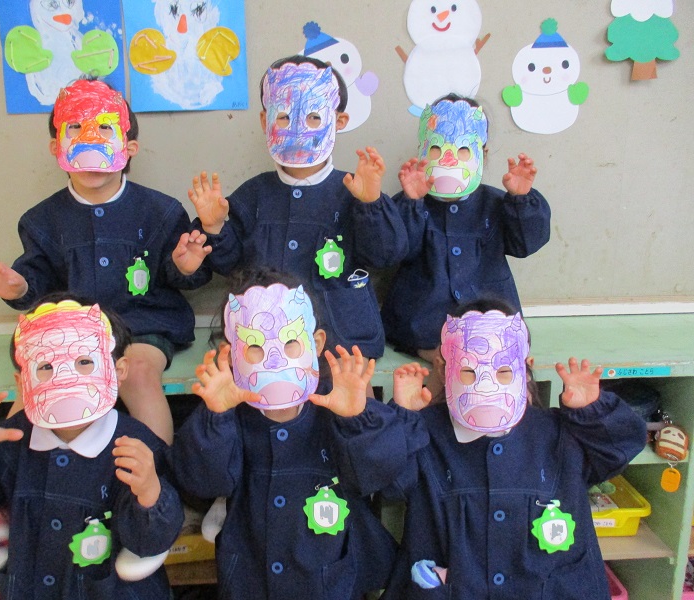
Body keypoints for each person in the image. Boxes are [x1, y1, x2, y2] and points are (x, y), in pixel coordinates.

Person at [310, 302, 647, 599]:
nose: (486, 385)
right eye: (469, 371)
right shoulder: (427, 433)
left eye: (503, 370)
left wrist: (592, 411)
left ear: (525, 366)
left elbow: (621, 448)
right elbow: (381, 478)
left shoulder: (561, 434)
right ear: (445, 369)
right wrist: (402, 421)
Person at [0, 77, 211, 445]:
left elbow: (177, 275)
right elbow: (37, 279)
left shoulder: (160, 211)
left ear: (129, 148)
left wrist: (185, 266)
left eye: (104, 129)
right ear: (57, 147)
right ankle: (16, 468)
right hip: (70, 328)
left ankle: (154, 469)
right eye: (75, 129)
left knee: (138, 374)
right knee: (37, 379)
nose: (90, 142)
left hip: (142, 325)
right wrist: (19, 288)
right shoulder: (41, 220)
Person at [0, 295, 184, 600]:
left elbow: (151, 543)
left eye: (85, 362)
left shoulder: (136, 447)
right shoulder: (9, 440)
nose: (64, 378)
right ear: (22, 382)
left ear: (118, 370)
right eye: (46, 366)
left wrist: (150, 494)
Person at [172, 270, 397, 600]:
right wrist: (216, 417)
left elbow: (379, 476)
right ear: (231, 352)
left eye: (291, 341)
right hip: (252, 578)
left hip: (327, 580)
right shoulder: (228, 412)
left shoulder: (337, 404)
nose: (274, 358)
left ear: (315, 343)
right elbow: (204, 483)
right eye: (255, 345)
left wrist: (357, 419)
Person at [187, 55, 407, 361]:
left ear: (339, 121)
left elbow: (386, 255)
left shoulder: (354, 190)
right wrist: (215, 228)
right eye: (284, 117)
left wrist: (371, 204)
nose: (298, 130)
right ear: (265, 121)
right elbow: (229, 265)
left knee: (354, 392)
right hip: (265, 346)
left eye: (314, 117)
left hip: (342, 341)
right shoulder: (253, 194)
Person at [380, 94, 551, 395]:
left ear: (482, 153)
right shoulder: (411, 201)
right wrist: (411, 202)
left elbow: (526, 243)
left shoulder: (496, 203)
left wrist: (521, 200)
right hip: (425, 324)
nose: (449, 160)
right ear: (423, 151)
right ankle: (443, 366)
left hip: (490, 324)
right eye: (437, 149)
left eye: (462, 150)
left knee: (495, 365)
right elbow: (395, 250)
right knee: (444, 362)